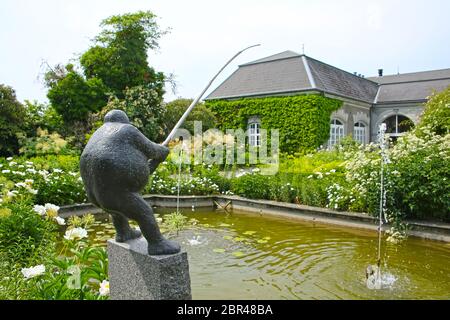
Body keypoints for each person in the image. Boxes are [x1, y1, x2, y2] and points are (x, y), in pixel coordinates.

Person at [80, 110, 181, 255]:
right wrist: (162, 151)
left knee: (116, 208)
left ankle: (123, 232)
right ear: (124, 120)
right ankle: (156, 243)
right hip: (116, 190)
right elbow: (152, 149)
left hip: (96, 196)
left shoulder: (99, 133)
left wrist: (155, 160)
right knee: (144, 212)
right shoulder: (127, 130)